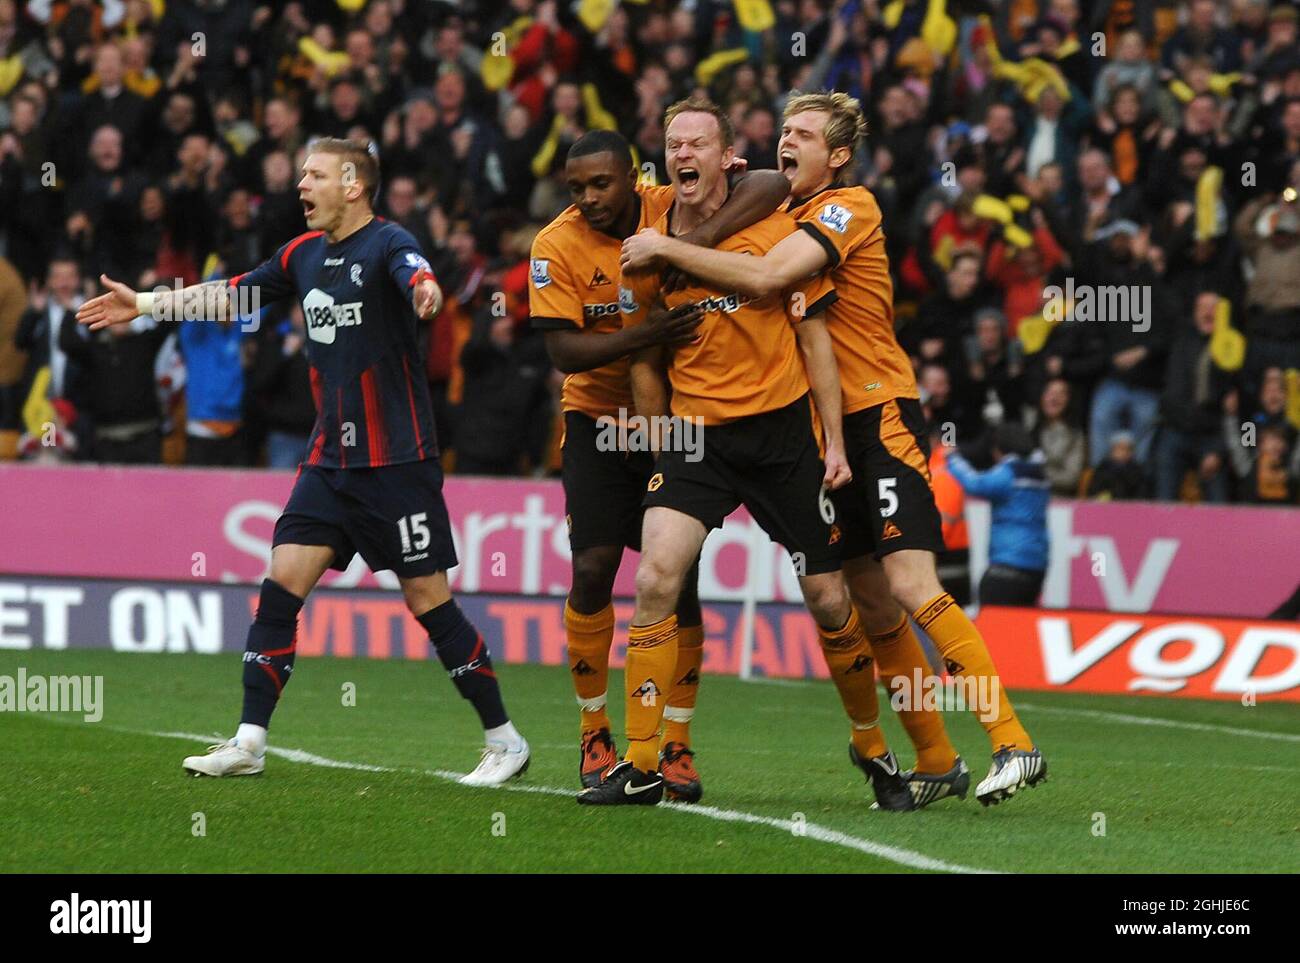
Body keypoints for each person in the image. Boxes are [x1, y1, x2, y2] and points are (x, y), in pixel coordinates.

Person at [621, 91, 1045, 807]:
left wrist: (666, 248)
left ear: (838, 154)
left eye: (805, 134)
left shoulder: (851, 208)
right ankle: (937, 756)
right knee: (872, 604)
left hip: (879, 413)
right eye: (783, 130)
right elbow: (747, 189)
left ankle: (1012, 740)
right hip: (826, 432)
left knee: (913, 585)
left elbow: (764, 277)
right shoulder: (783, 211)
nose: (787, 142)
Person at [76, 138, 530, 786]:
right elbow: (234, 295)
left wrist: (425, 289)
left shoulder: (387, 242)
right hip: (329, 459)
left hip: (396, 462)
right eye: (301, 175)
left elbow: (415, 271)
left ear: (352, 183)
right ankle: (250, 740)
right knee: (280, 585)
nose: (301, 185)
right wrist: (147, 303)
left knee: (430, 602)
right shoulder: (301, 253)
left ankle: (505, 739)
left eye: (313, 175)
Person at [579, 98, 860, 808]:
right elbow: (644, 354)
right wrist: (653, 438)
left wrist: (834, 438)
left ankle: (873, 743)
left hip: (780, 434)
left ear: (726, 156)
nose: (684, 154)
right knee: (655, 578)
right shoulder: (641, 245)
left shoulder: (772, 223)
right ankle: (641, 762)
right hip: (696, 437)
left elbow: (813, 335)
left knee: (829, 598)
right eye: (674, 143)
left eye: (698, 142)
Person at [529, 128, 790, 799]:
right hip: (597, 422)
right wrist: (646, 333)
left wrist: (690, 244)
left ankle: (675, 740)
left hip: (677, 418)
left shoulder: (665, 209)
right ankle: (594, 730)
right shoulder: (554, 245)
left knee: (676, 580)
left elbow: (769, 183)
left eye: (600, 184)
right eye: (576, 188)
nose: (588, 198)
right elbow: (562, 350)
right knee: (591, 567)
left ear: (631, 177)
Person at [947, 424, 1052, 606]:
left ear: (999, 449)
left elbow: (975, 483)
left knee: (994, 626)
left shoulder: (1009, 474)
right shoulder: (1040, 475)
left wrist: (952, 458)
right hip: (1037, 566)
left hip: (1008, 562)